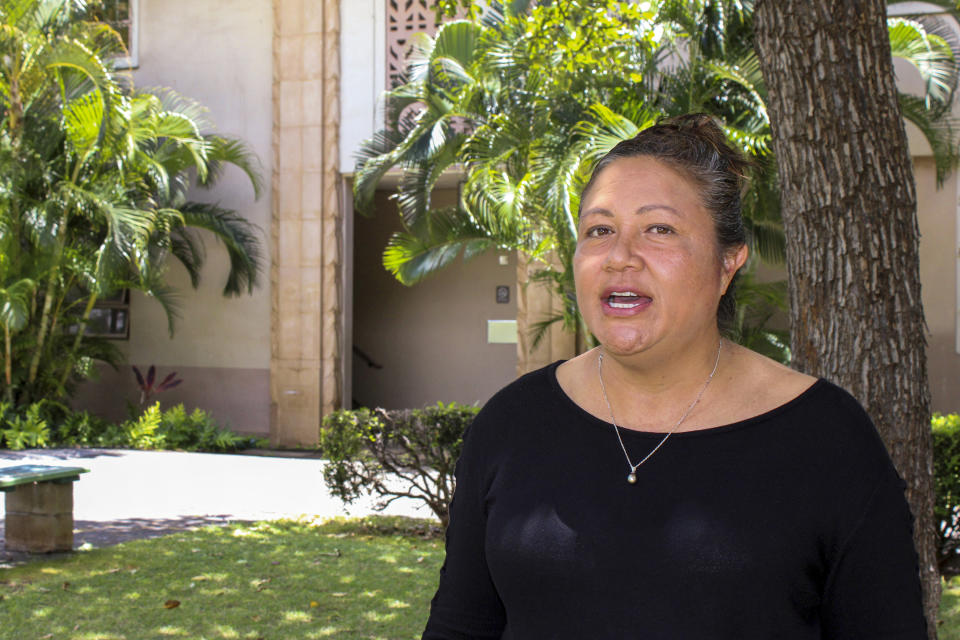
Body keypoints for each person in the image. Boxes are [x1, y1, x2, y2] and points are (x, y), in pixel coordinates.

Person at [421, 114, 927, 639]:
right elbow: (462, 625)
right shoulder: (511, 423)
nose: (620, 256)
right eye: (599, 230)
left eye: (658, 229)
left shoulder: (827, 437)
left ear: (728, 263)